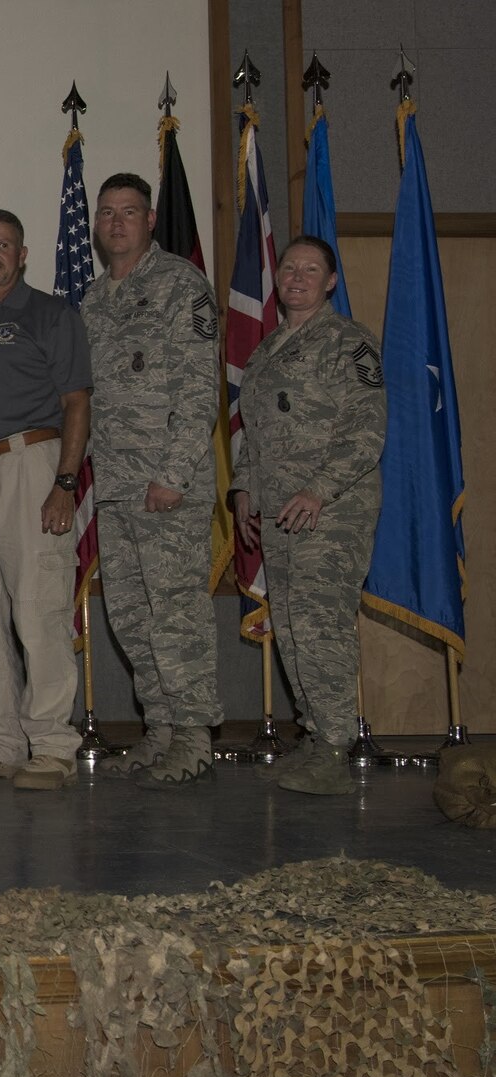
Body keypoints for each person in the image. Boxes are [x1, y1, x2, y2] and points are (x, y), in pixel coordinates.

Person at [0, 209, 93, 791]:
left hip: (34, 466)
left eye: (4, 245)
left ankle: (52, 747)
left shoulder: (51, 314)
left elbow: (76, 402)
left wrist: (64, 482)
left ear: (23, 255)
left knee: (39, 611)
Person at [80, 174, 222, 787]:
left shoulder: (180, 285)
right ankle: (160, 730)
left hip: (167, 486)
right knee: (132, 618)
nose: (116, 222)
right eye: (107, 212)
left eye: (129, 212)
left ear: (150, 218)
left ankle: (194, 734)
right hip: (114, 485)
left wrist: (172, 474)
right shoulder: (91, 299)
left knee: (176, 615)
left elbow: (198, 390)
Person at [231, 236, 385, 797]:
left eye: (310, 268)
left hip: (331, 511)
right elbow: (254, 430)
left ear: (331, 281)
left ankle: (337, 745)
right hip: (278, 512)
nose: (296, 275)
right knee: (292, 627)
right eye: (289, 266)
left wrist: (318, 490)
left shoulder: (350, 343)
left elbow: (368, 431)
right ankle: (318, 737)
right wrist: (244, 488)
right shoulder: (267, 350)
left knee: (321, 626)